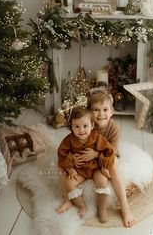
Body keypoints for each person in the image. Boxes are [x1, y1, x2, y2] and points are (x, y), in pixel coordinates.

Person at [56, 90, 135, 227]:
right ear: (89, 112)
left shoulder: (114, 127)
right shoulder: (84, 124)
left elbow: (112, 150)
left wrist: (97, 155)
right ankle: (67, 198)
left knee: (114, 169)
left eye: (105, 110)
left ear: (111, 111)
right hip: (85, 159)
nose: (101, 114)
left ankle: (125, 206)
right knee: (60, 165)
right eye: (96, 110)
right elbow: (71, 144)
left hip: (106, 156)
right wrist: (72, 160)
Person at [57, 106, 115, 222]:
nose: (81, 130)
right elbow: (62, 154)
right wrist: (70, 168)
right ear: (72, 127)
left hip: (96, 167)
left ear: (92, 126)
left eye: (85, 126)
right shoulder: (69, 140)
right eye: (76, 126)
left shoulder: (97, 138)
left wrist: (104, 166)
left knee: (102, 182)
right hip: (80, 169)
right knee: (69, 183)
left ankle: (102, 209)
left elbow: (109, 151)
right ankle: (81, 206)